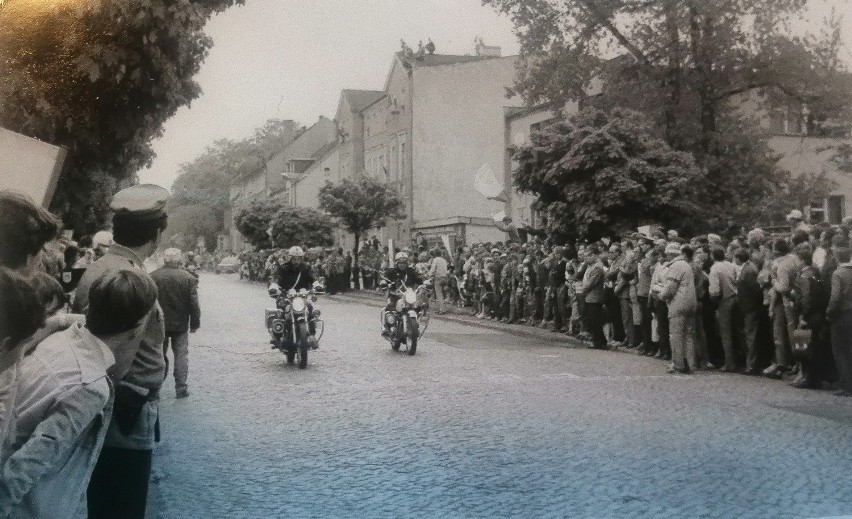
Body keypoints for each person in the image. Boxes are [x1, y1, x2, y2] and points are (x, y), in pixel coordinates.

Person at [0, 269, 157, 519]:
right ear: (138, 326)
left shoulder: (60, 340)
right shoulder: (91, 385)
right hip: (30, 508)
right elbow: (29, 463)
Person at [72, 184, 169, 519]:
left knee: (104, 500)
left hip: (109, 408)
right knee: (123, 505)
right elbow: (115, 356)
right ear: (157, 234)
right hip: (124, 410)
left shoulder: (99, 267)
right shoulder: (131, 275)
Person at [151, 248, 201, 399]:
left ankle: (155, 389)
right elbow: (194, 303)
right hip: (180, 325)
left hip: (159, 324)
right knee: (181, 356)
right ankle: (181, 388)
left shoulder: (153, 276)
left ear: (165, 260)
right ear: (179, 260)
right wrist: (195, 323)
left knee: (158, 356)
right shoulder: (188, 278)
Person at [661, 243, 699, 374]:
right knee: (689, 335)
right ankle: (690, 363)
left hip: (679, 303)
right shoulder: (686, 265)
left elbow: (670, 288)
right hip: (691, 303)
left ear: (670, 254)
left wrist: (661, 294)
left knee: (676, 335)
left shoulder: (676, 266)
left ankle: (678, 364)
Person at [826, 245, 852, 397]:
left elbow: (835, 297)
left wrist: (829, 312)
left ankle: (846, 384)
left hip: (841, 314)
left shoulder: (838, 273)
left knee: (840, 351)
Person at [709, 247, 739, 372]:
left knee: (725, 333)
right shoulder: (731, 265)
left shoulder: (715, 268)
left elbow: (715, 291)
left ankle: (729, 363)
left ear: (713, 256)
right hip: (735, 298)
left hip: (724, 300)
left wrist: (713, 301)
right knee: (737, 331)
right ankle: (740, 360)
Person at [380, 252, 424, 337]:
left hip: (408, 294)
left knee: (418, 307)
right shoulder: (391, 271)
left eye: (404, 263)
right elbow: (384, 279)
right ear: (396, 263)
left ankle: (415, 326)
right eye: (400, 262)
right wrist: (386, 283)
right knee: (390, 307)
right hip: (395, 294)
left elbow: (418, 279)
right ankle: (387, 327)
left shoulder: (411, 271)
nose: (402, 265)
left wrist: (424, 282)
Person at [428, 248, 449, 314]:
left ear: (434, 254)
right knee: (443, 294)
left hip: (438, 278)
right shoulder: (443, 260)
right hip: (445, 278)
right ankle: (442, 308)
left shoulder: (435, 260)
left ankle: (442, 309)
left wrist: (429, 275)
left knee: (439, 294)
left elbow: (433, 269)